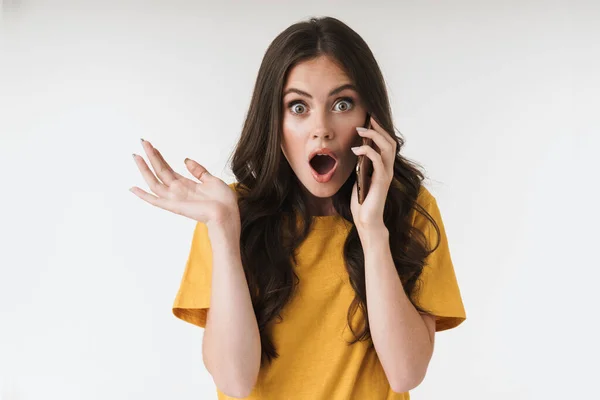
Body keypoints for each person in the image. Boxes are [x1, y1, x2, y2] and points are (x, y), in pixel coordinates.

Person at [130, 16, 466, 400]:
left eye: (342, 103)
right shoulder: (227, 215)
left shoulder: (409, 209)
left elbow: (405, 374)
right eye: (298, 107)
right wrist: (224, 230)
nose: (321, 128)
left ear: (370, 116)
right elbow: (235, 381)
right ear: (274, 120)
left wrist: (373, 231)